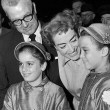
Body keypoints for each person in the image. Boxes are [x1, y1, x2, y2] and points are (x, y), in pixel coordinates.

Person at [0, 0, 62, 109]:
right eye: (16, 21)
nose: (25, 24)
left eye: (27, 16)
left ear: (34, 7)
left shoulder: (58, 33)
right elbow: (2, 90)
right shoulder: (3, 45)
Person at [2, 41, 71, 110]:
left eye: (29, 64)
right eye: (21, 64)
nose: (23, 69)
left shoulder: (55, 91)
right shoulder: (13, 91)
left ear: (43, 65)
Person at [41, 10, 89, 110]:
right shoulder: (59, 54)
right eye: (62, 46)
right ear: (55, 47)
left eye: (74, 40)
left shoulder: (93, 55)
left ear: (78, 34)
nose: (71, 49)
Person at [78, 23, 110, 110]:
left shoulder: (107, 86)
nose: (81, 56)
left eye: (85, 50)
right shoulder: (92, 76)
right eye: (80, 51)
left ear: (104, 51)